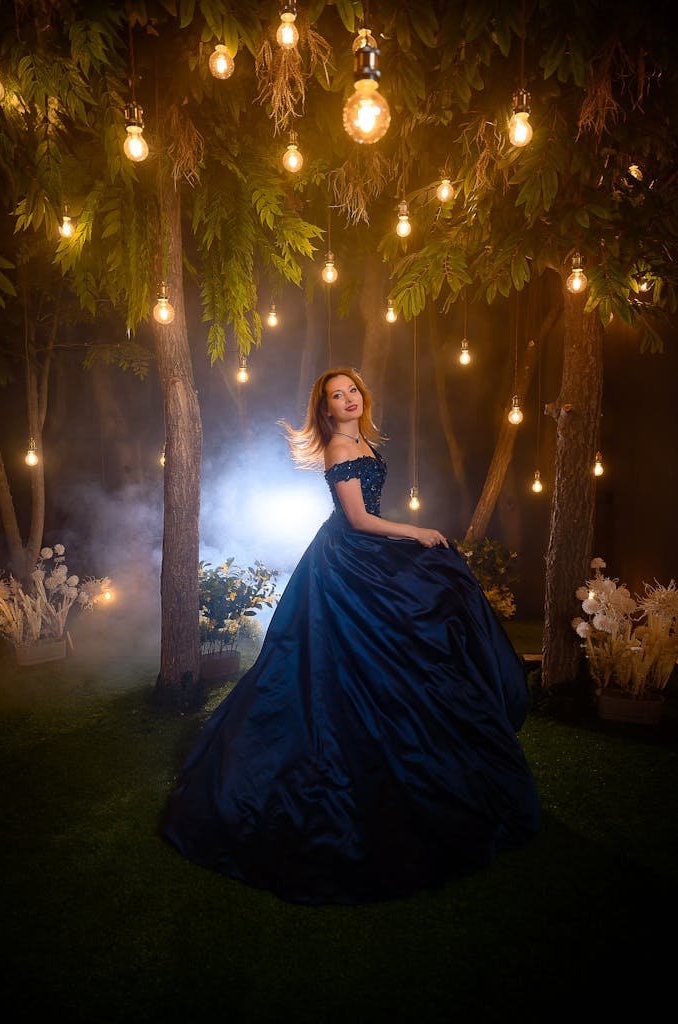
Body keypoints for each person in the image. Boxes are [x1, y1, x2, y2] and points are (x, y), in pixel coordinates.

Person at [162, 367, 539, 905]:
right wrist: (418, 531)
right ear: (327, 410)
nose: (348, 400)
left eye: (352, 391)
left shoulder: (362, 438)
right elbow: (360, 521)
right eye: (337, 397)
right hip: (344, 560)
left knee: (427, 610)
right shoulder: (341, 449)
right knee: (338, 659)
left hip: (359, 554)